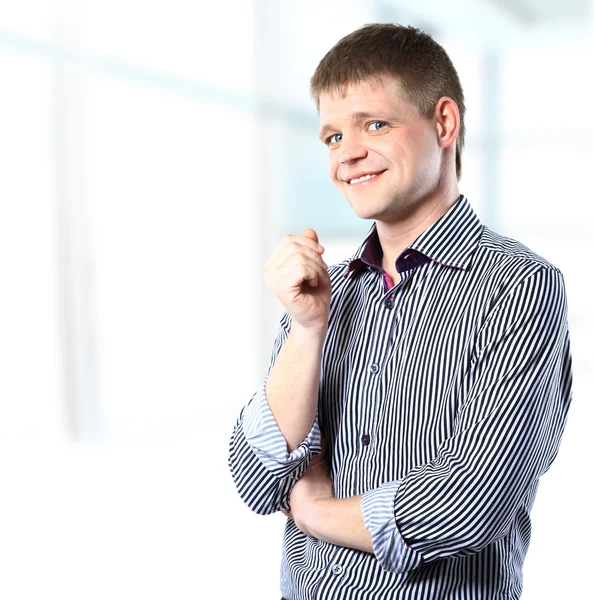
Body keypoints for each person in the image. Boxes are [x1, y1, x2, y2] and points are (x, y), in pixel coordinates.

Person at [228, 23, 573, 600]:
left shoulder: (518, 286)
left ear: (443, 124)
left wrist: (315, 514)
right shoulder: (321, 296)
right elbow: (257, 480)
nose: (348, 154)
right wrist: (309, 331)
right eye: (332, 137)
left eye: (375, 124)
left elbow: (467, 508)